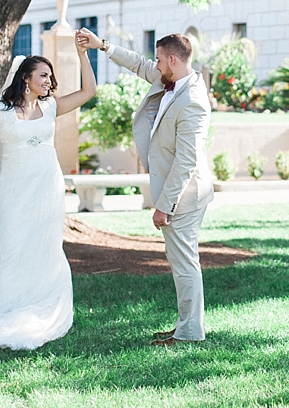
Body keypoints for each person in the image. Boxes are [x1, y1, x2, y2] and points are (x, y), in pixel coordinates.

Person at [0, 31, 97, 350]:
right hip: (14, 189)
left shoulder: (52, 106)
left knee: (45, 245)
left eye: (51, 76)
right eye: (43, 74)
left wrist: (82, 54)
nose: (49, 80)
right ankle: (8, 311)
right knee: (13, 245)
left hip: (47, 185)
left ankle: (41, 305)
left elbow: (89, 91)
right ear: (25, 78)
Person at [77, 29, 213, 347]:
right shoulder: (171, 78)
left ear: (172, 59)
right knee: (181, 260)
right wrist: (103, 46)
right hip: (179, 189)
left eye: (158, 59)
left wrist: (165, 204)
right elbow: (138, 64)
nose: (154, 64)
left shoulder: (192, 101)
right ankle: (185, 325)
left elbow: (186, 161)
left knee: (184, 262)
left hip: (186, 192)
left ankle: (190, 332)